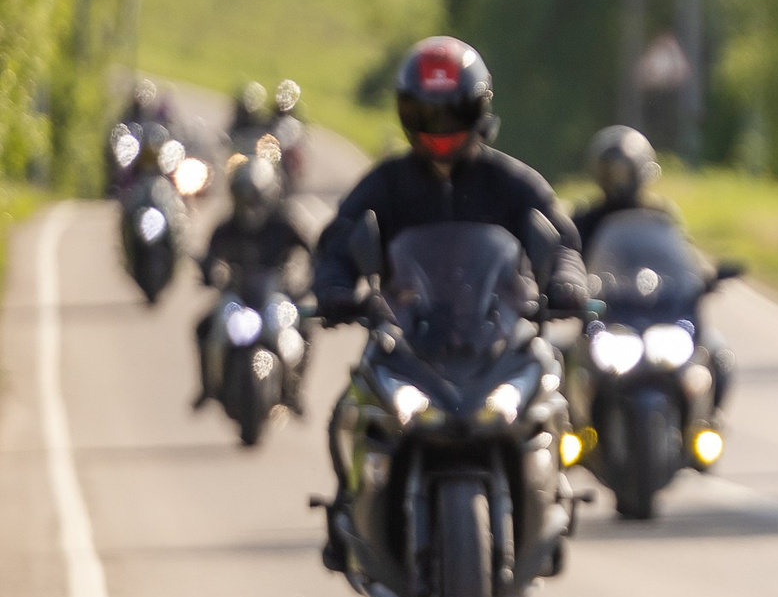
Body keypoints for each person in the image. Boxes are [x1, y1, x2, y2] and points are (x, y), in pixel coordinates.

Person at [311, 36, 587, 322]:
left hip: (502, 340)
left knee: (546, 363)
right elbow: (338, 244)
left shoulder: (512, 182)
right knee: (365, 368)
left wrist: (567, 280)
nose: (441, 127)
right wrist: (335, 288)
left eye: (455, 112)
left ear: (480, 108)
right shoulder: (385, 184)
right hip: (404, 342)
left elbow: (561, 242)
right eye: (426, 114)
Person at [571, 124, 733, 408]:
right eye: (612, 171)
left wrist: (702, 278)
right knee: (563, 357)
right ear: (599, 172)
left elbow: (682, 256)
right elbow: (567, 259)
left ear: (642, 171)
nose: (619, 179)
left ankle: (706, 422)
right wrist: (567, 285)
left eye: (625, 171)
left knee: (715, 354)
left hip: (661, 310)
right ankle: (576, 429)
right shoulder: (585, 219)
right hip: (608, 313)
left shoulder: (661, 216)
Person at [194, 155, 308, 410]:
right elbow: (209, 257)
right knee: (202, 327)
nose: (249, 205)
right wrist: (206, 273)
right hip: (236, 295)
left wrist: (310, 279)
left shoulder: (284, 224)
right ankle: (208, 386)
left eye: (254, 197)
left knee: (305, 328)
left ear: (268, 194)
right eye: (243, 197)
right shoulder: (226, 227)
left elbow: (311, 251)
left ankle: (294, 391)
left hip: (275, 294)